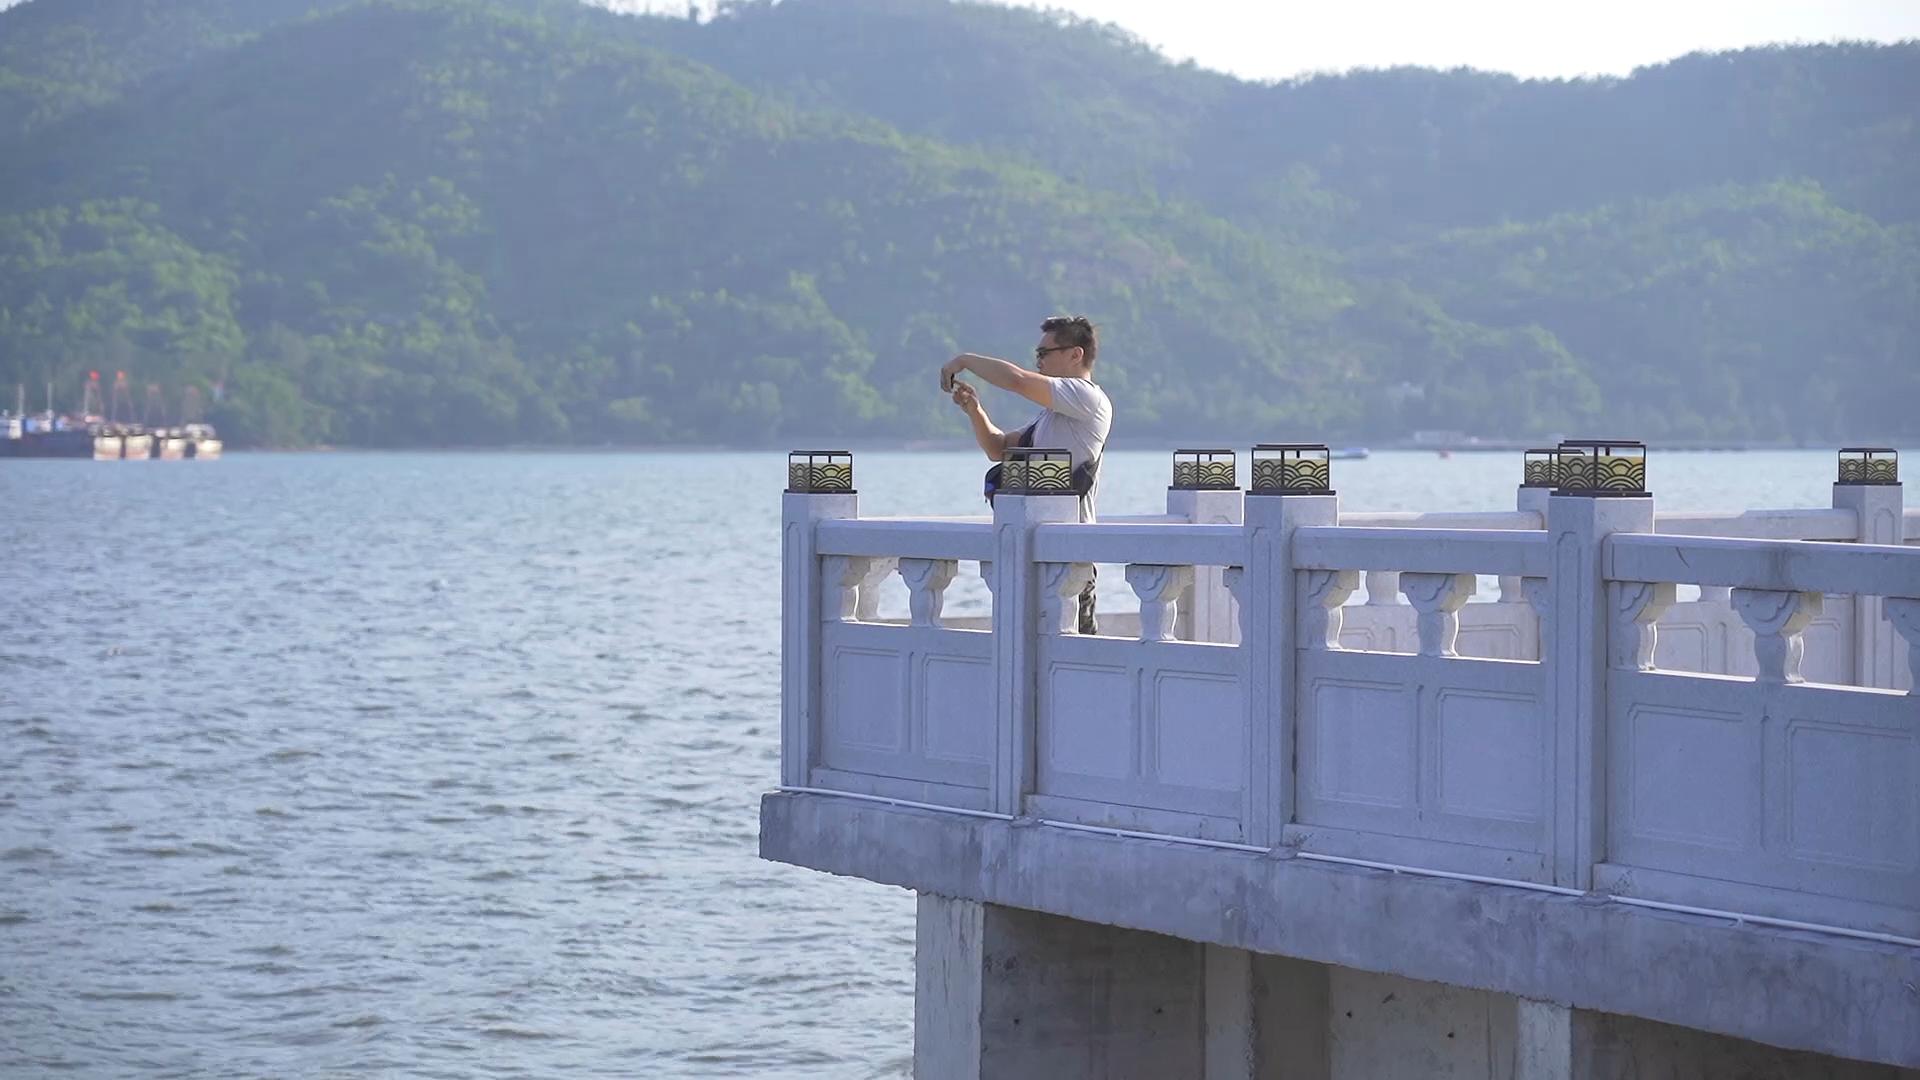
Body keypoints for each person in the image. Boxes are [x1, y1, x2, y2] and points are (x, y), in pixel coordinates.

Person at [942, 315, 1113, 633]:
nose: (1038, 361)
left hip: (1070, 552)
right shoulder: (1053, 415)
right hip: (1036, 547)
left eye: (1044, 353)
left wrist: (964, 359)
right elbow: (999, 448)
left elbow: (1018, 380)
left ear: (1075, 354)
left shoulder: (1087, 398)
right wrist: (975, 410)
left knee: (1076, 654)